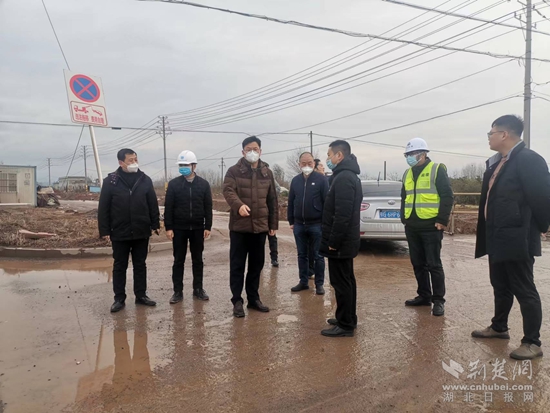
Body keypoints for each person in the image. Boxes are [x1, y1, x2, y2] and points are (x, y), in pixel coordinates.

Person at [472, 115, 550, 360]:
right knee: (500, 284)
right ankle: (499, 327)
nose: (489, 137)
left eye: (491, 133)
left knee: (524, 288)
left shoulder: (528, 160)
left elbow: (542, 197)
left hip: (518, 236)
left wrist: (542, 227)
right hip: (497, 234)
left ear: (504, 134)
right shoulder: (498, 163)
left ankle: (532, 342)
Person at [98, 148, 160, 313]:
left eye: (135, 159)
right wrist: (105, 230)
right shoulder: (111, 181)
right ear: (121, 163)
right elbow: (103, 208)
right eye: (130, 160)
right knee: (120, 266)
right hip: (119, 231)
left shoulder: (144, 179)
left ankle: (141, 295)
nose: (134, 163)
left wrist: (155, 224)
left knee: (140, 265)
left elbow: (152, 203)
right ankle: (119, 298)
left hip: (141, 230)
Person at [223, 136, 279, 318]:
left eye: (255, 149)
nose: (252, 152)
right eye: (248, 149)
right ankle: (237, 301)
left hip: (260, 228)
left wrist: (273, 224)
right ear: (243, 152)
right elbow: (228, 191)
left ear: (260, 151)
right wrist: (238, 205)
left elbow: (272, 200)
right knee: (237, 266)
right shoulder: (233, 171)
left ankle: (253, 299)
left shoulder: (267, 173)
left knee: (256, 266)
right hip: (239, 228)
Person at [400, 138, 453, 317]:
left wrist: (442, 220)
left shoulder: (436, 170)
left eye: (412, 154)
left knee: (433, 264)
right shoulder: (407, 173)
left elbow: (447, 196)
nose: (409, 157)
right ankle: (424, 295)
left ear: (423, 154)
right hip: (412, 225)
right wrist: (403, 217)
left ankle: (438, 300)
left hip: (431, 225)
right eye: (407, 154)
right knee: (418, 263)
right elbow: (404, 197)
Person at [319, 140, 362, 337]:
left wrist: (333, 242)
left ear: (339, 156)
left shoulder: (344, 178)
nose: (328, 159)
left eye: (329, 155)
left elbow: (342, 214)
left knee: (341, 283)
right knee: (347, 280)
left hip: (341, 242)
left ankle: (345, 325)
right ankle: (347, 317)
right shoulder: (345, 175)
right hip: (345, 240)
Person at [164, 150, 213, 304]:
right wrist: (168, 227)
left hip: (198, 228)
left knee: (197, 260)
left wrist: (208, 226)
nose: (183, 167)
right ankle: (177, 291)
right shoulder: (174, 185)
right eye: (181, 165)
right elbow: (168, 207)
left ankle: (198, 289)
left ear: (194, 166)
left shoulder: (203, 185)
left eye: (186, 165)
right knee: (178, 260)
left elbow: (208, 207)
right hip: (179, 228)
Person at [288, 152, 329, 295]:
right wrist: (291, 220)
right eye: (304, 163)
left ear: (314, 163)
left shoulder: (321, 180)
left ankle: (319, 284)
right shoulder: (295, 181)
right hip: (299, 224)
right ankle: (303, 281)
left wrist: (325, 223)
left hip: (316, 224)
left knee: (318, 256)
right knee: (302, 255)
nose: (307, 166)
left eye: (310, 163)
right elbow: (291, 201)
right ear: (299, 164)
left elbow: (326, 202)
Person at [268, 180, 281, 267]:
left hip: (270, 212)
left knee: (272, 238)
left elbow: (278, 188)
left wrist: (271, 194)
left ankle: (274, 258)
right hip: (259, 214)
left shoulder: (271, 178)